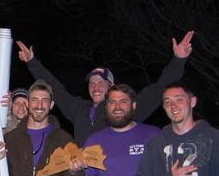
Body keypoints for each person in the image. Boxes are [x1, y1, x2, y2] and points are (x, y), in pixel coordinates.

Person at [15, 31, 194, 145]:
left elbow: (158, 91)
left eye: (101, 83)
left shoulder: (123, 109)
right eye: (92, 83)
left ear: (111, 87)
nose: (96, 86)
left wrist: (178, 61)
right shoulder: (78, 109)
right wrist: (32, 62)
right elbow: (55, 88)